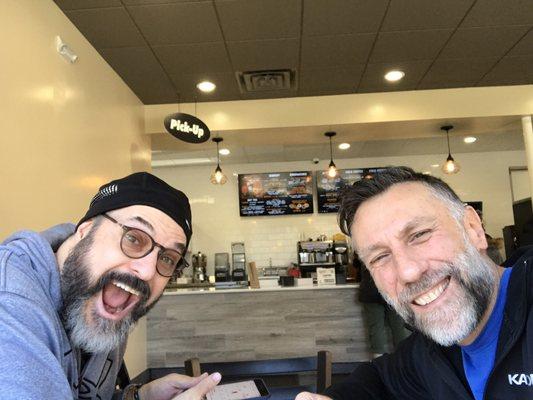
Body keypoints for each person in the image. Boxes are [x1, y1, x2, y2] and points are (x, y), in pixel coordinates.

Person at [296, 166, 532, 400]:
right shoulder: (429, 351)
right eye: (380, 257)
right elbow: (379, 378)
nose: (408, 272)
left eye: (419, 235)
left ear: (473, 229)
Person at [0, 172, 222, 399]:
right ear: (85, 231)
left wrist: (140, 396)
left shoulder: (108, 301)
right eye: (134, 238)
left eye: (167, 258)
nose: (146, 271)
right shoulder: (9, 303)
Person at [356, 256, 410, 358]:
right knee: (398, 326)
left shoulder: (365, 248)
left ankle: (378, 361)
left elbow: (355, 264)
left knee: (376, 327)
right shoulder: (390, 248)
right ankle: (404, 358)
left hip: (371, 292)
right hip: (392, 290)